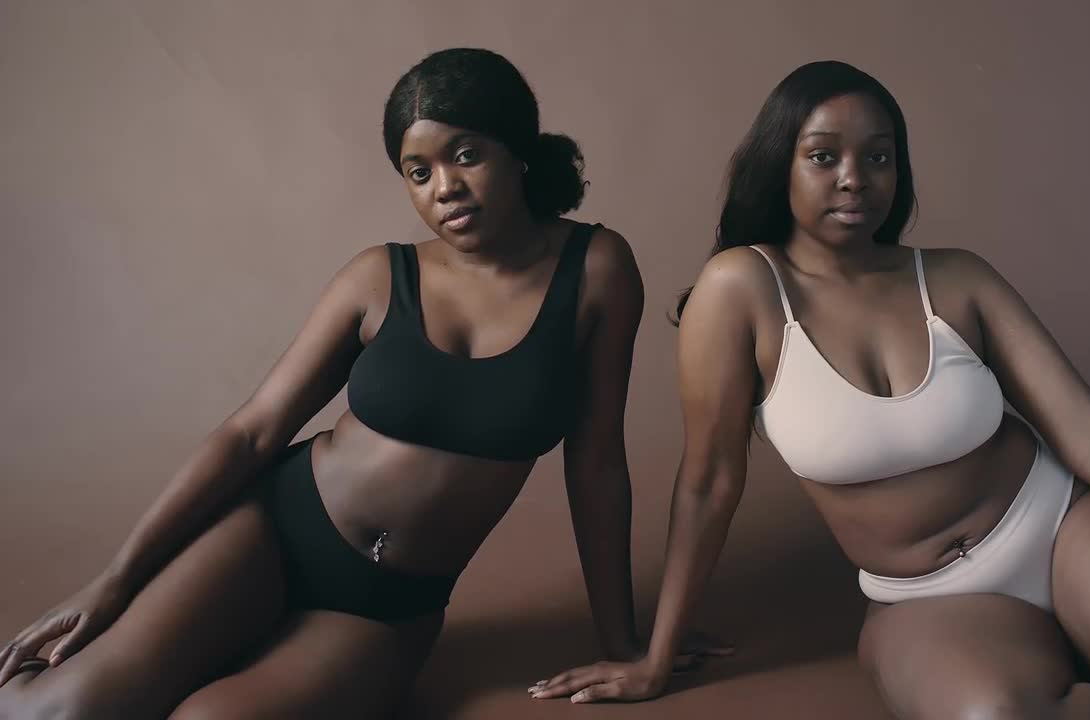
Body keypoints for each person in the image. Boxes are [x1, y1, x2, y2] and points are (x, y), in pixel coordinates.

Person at [530, 60, 1090, 717]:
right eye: (824, 157)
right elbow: (708, 484)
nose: (856, 177)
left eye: (879, 157)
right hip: (925, 595)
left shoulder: (954, 276)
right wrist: (653, 659)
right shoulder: (743, 291)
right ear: (779, 167)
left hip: (1060, 532)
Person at [0, 47, 662, 719]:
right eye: (418, 170)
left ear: (518, 150)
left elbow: (598, 463)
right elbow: (252, 432)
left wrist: (622, 644)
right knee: (60, 709)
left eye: (465, 155)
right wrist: (115, 581)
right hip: (272, 531)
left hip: (384, 609)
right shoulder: (380, 277)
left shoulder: (597, 270)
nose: (444, 188)